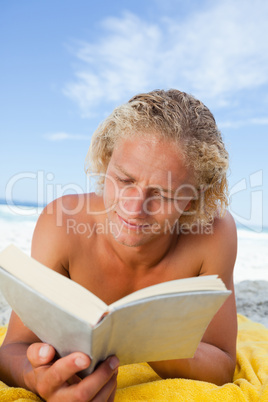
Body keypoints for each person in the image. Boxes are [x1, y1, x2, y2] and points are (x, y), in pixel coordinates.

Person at [0, 89, 237, 401]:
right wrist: (37, 378)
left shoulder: (213, 234)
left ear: (193, 200)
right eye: (125, 180)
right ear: (106, 160)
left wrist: (139, 336)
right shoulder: (62, 223)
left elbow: (222, 366)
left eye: (163, 194)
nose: (134, 208)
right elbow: (13, 349)